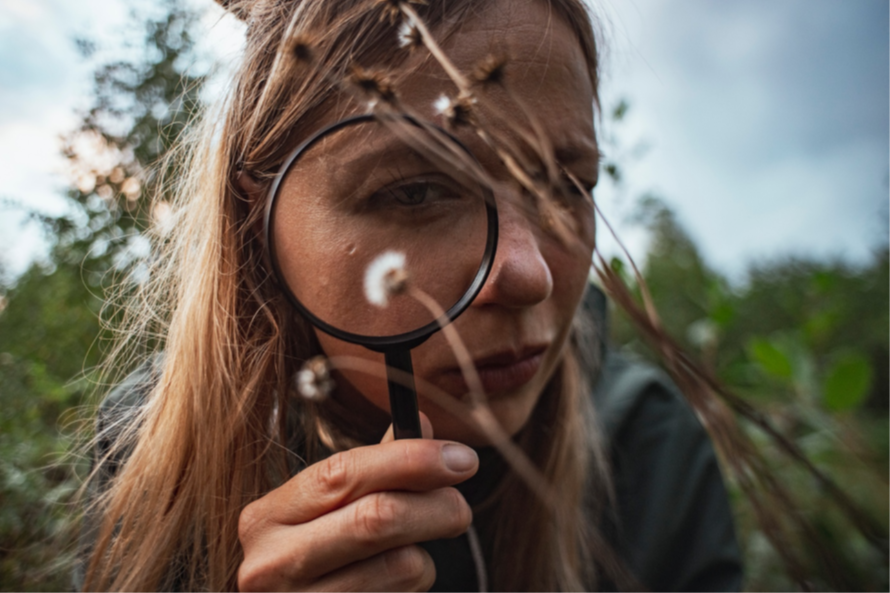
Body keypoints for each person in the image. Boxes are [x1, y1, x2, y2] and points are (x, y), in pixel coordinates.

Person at [75, 0, 743, 591]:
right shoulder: (153, 457)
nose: (528, 273)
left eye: (566, 186)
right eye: (415, 191)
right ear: (258, 219)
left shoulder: (651, 456)